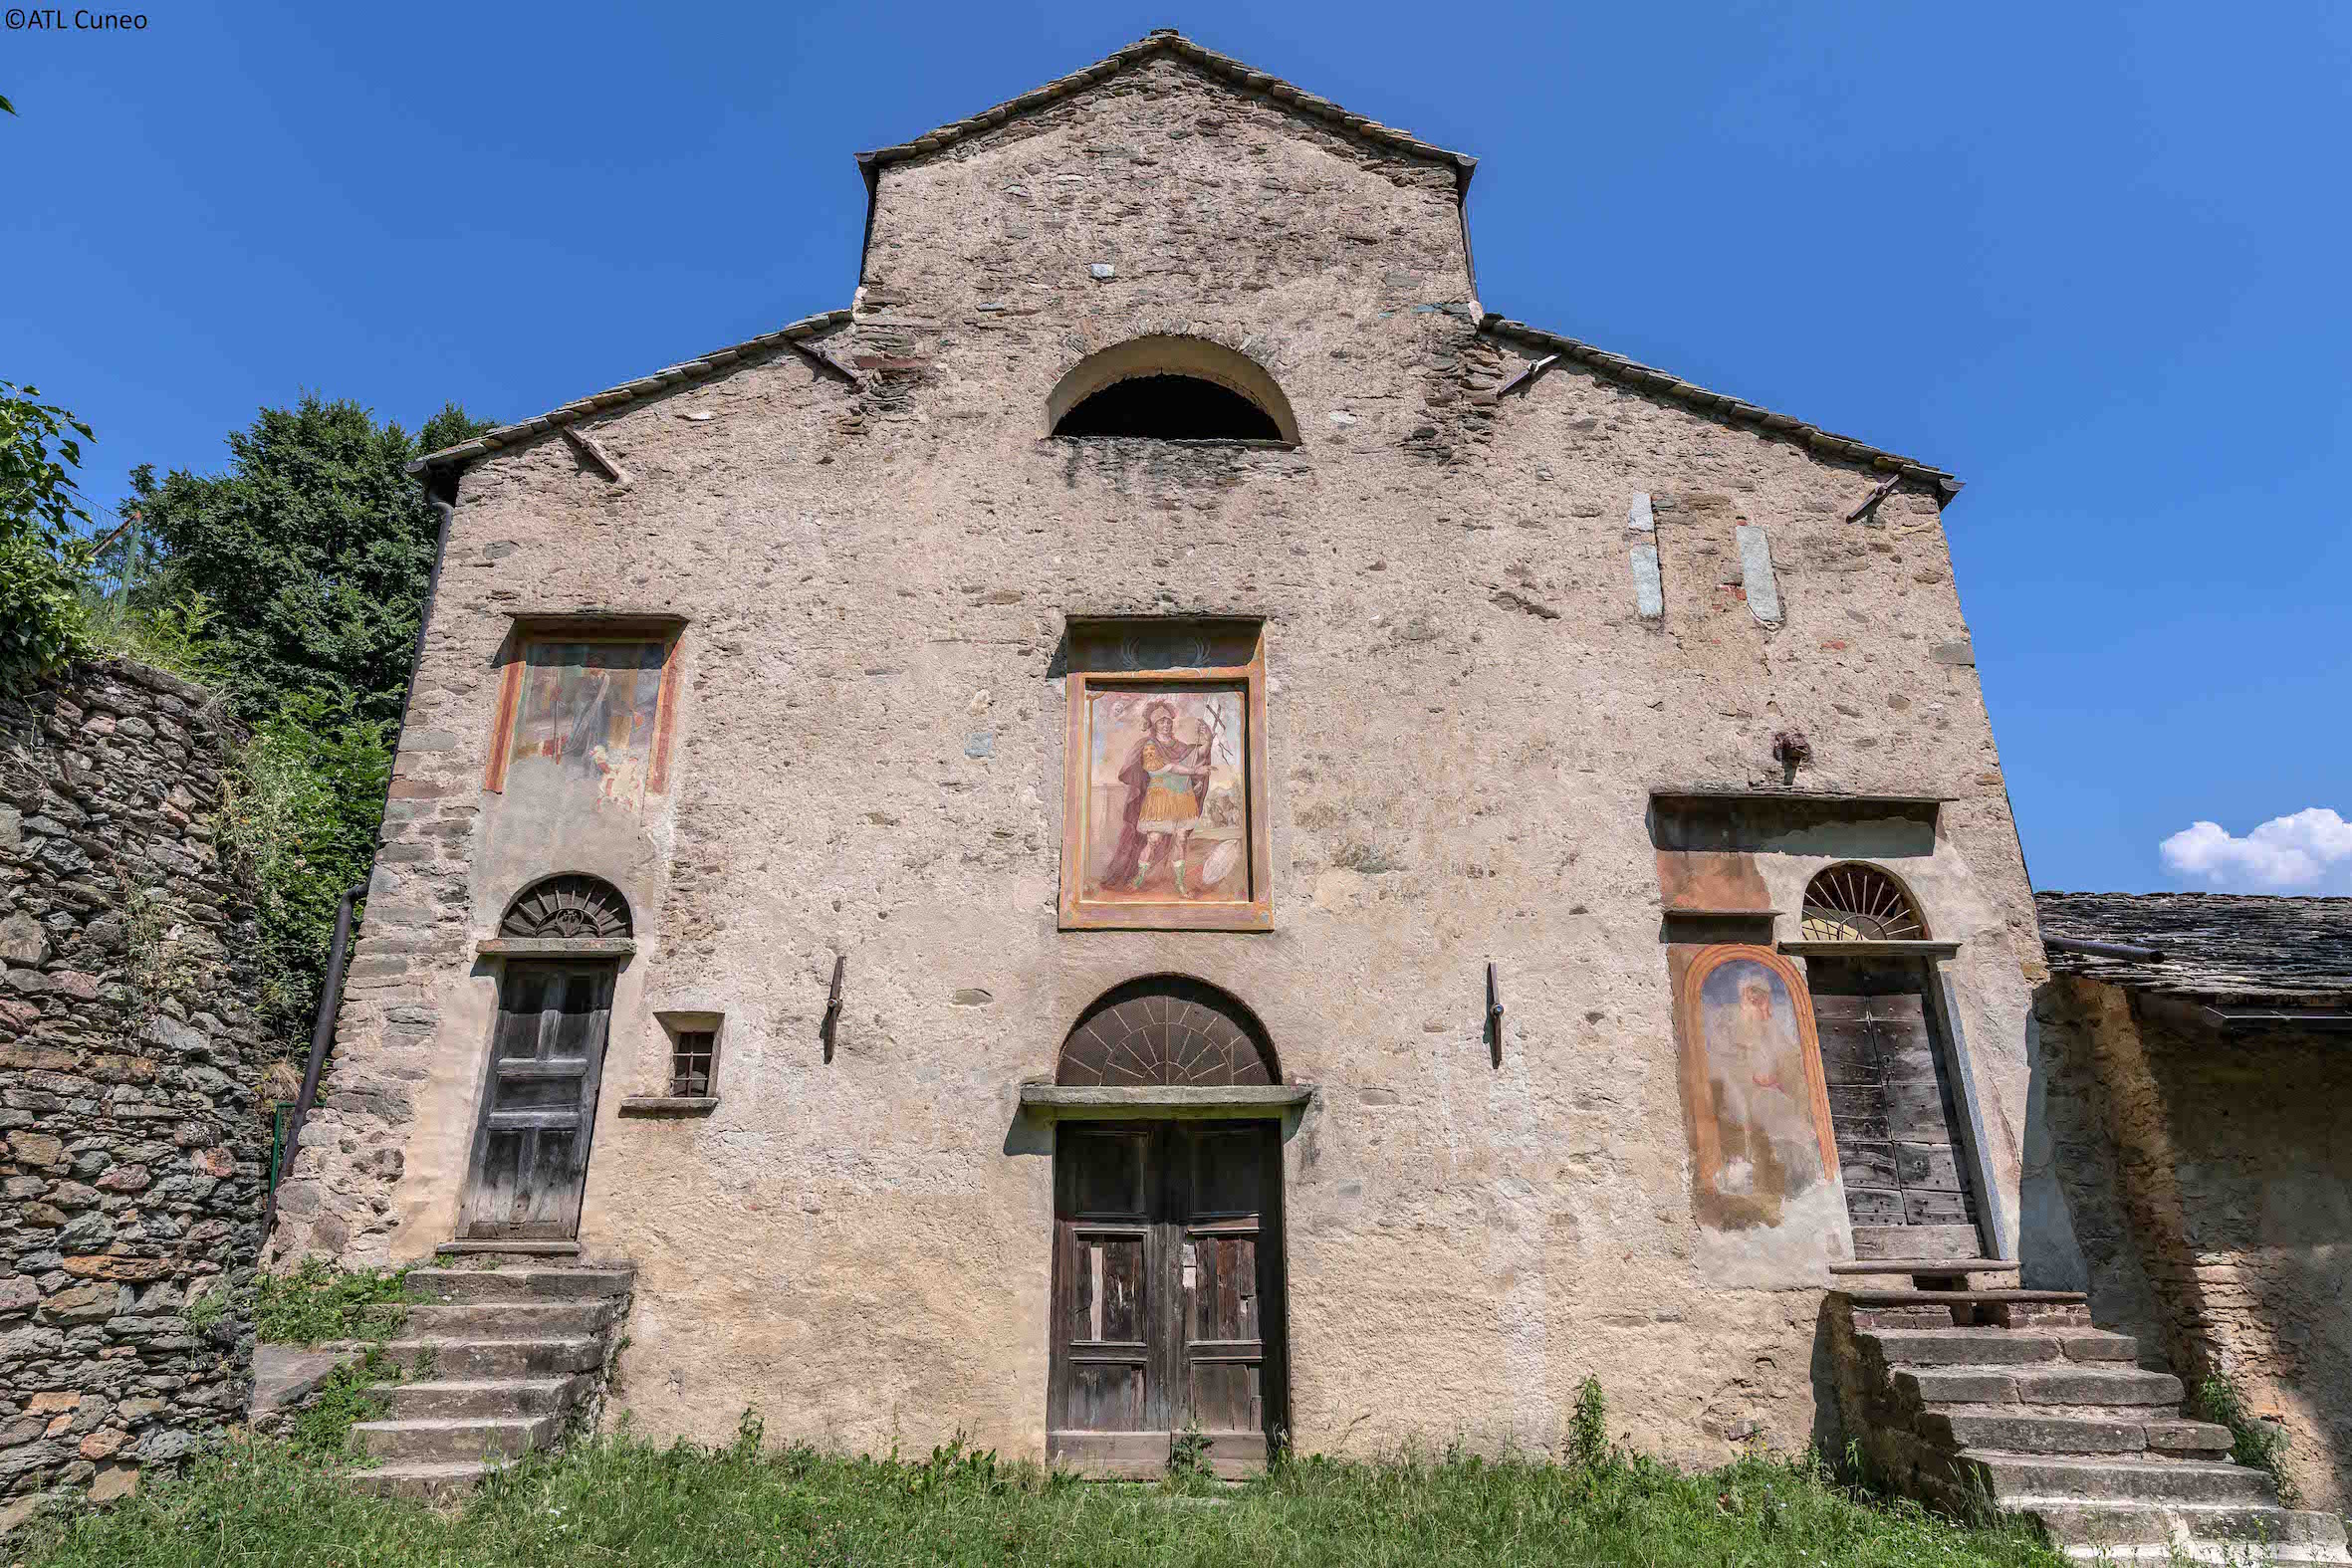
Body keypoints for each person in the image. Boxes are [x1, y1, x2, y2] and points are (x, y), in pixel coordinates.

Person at [1103, 702, 1213, 896]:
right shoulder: (1149, 745)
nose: (1166, 725)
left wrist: (1208, 740)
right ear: (1154, 725)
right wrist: (1194, 771)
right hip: (1160, 797)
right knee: (1154, 840)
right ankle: (1139, 878)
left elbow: (1196, 755)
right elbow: (1160, 768)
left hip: (1182, 797)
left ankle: (1180, 884)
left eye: (1168, 721)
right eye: (1162, 722)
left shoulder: (1179, 746)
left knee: (1181, 839)